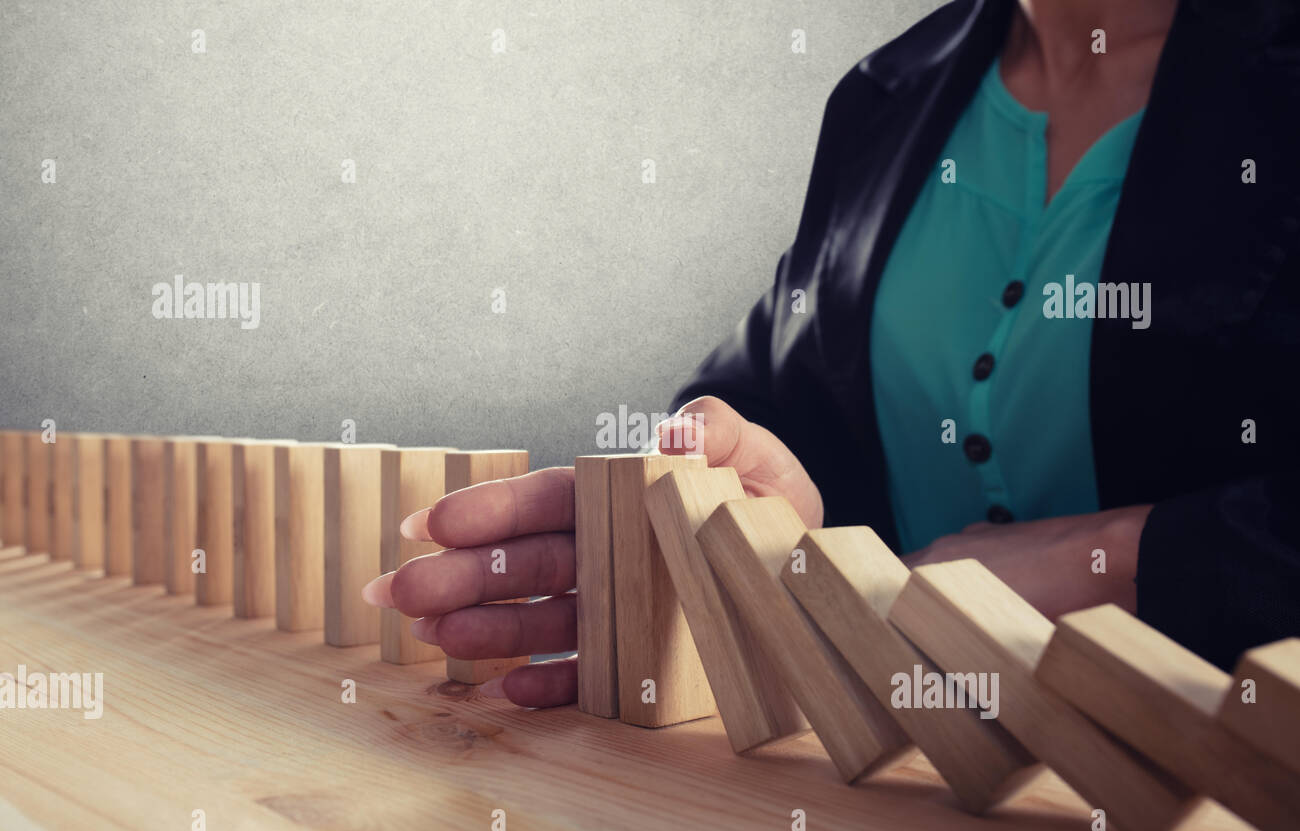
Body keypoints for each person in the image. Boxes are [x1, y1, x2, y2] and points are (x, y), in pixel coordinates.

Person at [363, 0, 1300, 709]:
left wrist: (1117, 556)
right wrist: (745, 523)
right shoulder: (883, 95)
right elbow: (775, 401)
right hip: (910, 793)